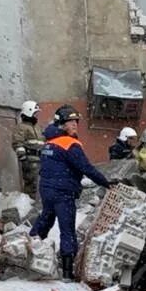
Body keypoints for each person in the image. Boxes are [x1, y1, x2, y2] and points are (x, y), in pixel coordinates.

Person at [31, 105, 112, 280]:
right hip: (63, 192)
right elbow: (87, 168)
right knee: (67, 230)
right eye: (71, 121)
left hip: (46, 190)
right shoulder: (70, 144)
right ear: (61, 123)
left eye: (76, 121)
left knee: (45, 219)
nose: (75, 124)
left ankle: (28, 249)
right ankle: (68, 271)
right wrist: (107, 183)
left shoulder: (49, 142)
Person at [12, 100, 45, 199]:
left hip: (40, 159)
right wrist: (23, 158)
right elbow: (17, 143)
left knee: (42, 185)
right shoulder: (21, 127)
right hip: (30, 161)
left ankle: (38, 205)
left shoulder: (37, 127)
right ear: (29, 112)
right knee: (32, 185)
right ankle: (29, 204)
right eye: (35, 113)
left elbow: (43, 141)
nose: (36, 116)